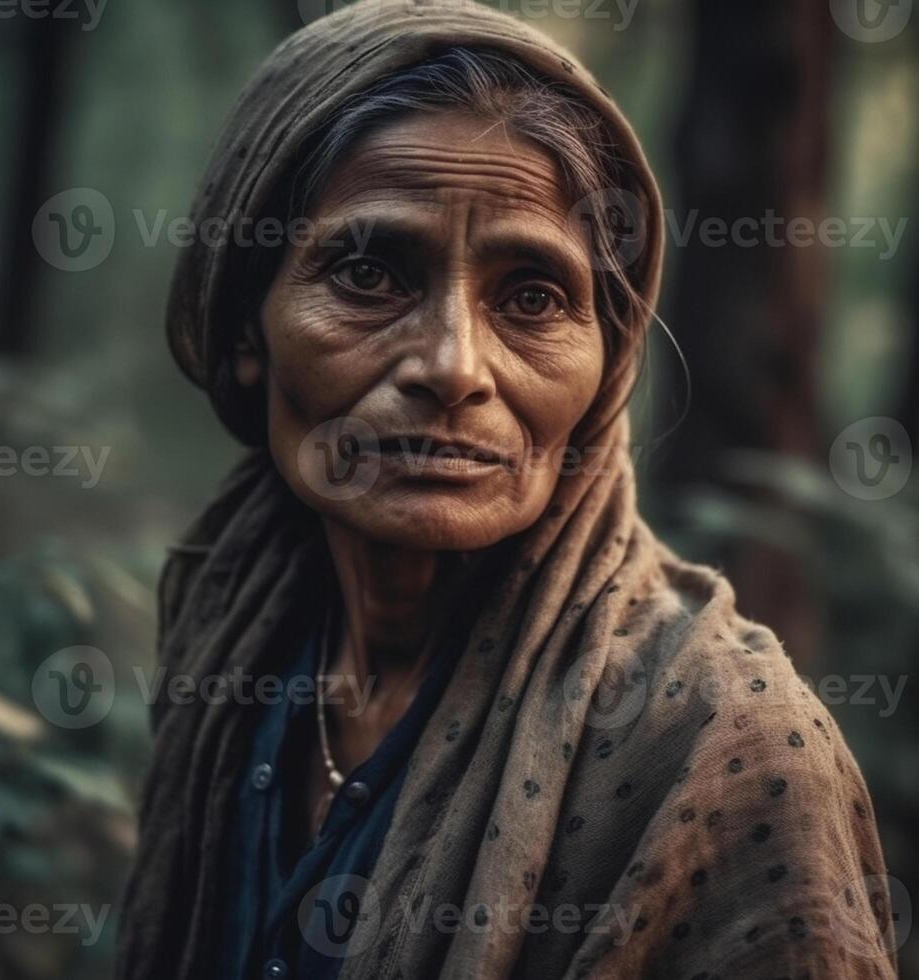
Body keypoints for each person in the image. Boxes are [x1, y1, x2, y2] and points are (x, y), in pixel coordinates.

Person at [116, 2, 896, 978]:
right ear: (243, 331)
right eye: (367, 273)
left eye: (531, 296)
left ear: (605, 368)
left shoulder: (722, 746)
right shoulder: (236, 611)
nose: (452, 365)